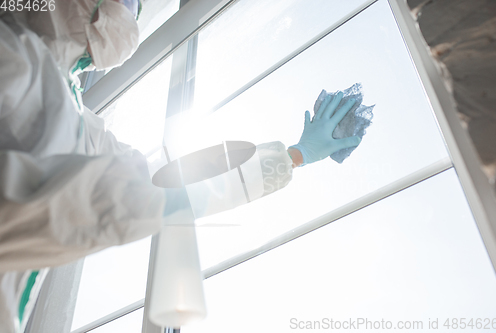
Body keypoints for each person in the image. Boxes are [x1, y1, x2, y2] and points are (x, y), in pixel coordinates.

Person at [0, 0, 361, 331]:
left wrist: (293, 156)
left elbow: (161, 178)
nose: (129, 10)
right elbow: (120, 198)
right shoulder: (14, 57)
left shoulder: (78, 116)